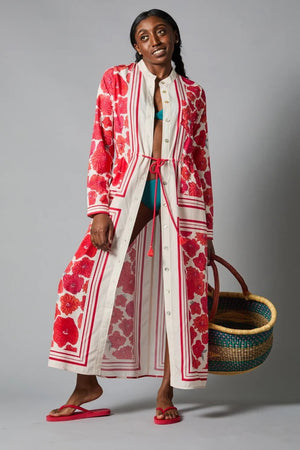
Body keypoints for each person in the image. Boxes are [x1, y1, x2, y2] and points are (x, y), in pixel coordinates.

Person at [47, 8, 214, 424]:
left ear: (175, 35)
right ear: (135, 46)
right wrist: (100, 209)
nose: (153, 40)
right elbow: (100, 143)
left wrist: (207, 228)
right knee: (82, 277)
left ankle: (166, 391)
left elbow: (200, 158)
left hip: (183, 197)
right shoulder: (116, 79)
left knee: (178, 293)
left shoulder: (193, 92)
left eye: (160, 31)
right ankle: (87, 382)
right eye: (143, 36)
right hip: (129, 192)